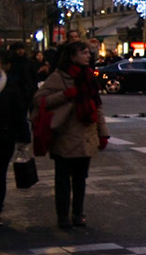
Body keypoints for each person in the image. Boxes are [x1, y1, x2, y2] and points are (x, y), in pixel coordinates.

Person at [35, 40, 109, 229]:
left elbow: (97, 105)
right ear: (72, 56)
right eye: (83, 53)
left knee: (80, 179)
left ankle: (78, 213)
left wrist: (103, 132)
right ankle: (63, 215)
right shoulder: (59, 77)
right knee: (63, 179)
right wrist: (66, 95)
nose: (88, 56)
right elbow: (39, 100)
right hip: (65, 133)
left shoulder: (89, 76)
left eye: (88, 53)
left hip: (85, 133)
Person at [0, 51, 33, 225]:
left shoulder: (11, 86)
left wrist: (23, 138)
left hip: (4, 136)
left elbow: (19, 113)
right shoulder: (10, 85)